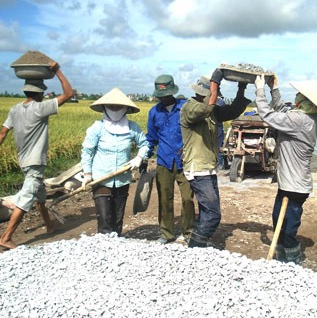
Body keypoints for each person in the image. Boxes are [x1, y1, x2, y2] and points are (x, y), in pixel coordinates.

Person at [254, 75, 317, 264]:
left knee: (287, 231)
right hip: (288, 182)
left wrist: (260, 89)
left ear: (304, 101)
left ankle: (293, 265)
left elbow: (268, 115)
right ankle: (281, 262)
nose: (295, 97)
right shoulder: (305, 117)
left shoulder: (300, 120)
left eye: (299, 95)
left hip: (295, 186)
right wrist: (274, 89)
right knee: (277, 220)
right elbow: (282, 109)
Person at [0, 61, 74, 249]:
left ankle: (49, 226)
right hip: (34, 162)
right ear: (40, 93)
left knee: (39, 194)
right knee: (27, 197)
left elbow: (2, 133)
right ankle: (6, 237)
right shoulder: (40, 108)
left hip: (24, 161)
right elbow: (68, 94)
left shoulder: (15, 109)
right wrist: (57, 71)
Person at [180, 70, 251, 248]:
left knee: (207, 211)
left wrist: (241, 88)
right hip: (198, 169)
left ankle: (199, 246)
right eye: (214, 94)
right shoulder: (190, 108)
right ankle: (196, 245)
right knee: (213, 213)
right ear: (204, 94)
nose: (217, 97)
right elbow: (204, 110)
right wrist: (215, 83)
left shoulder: (213, 112)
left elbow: (233, 110)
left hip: (209, 168)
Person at [81, 88, 148, 236]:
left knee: (118, 216)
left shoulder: (132, 128)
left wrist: (139, 157)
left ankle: (116, 241)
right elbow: (87, 151)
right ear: (104, 107)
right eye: (111, 106)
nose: (115, 110)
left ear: (125, 109)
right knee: (105, 216)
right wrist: (87, 173)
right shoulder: (97, 128)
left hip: (122, 179)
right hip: (101, 178)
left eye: (119, 107)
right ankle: (104, 243)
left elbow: (144, 144)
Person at [143, 74, 195, 244]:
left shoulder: (185, 108)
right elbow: (151, 138)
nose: (163, 98)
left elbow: (195, 133)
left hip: (185, 161)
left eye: (166, 95)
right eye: (160, 96)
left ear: (172, 92)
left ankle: (189, 232)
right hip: (164, 161)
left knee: (188, 198)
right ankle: (167, 233)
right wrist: (144, 156)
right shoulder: (154, 112)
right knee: (165, 198)